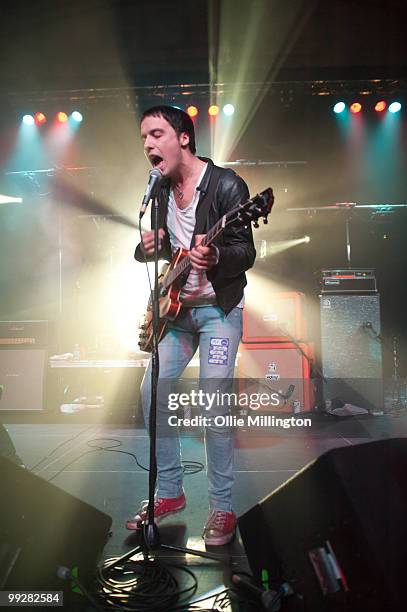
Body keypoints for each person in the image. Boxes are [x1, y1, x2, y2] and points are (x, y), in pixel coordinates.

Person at [126, 105, 256, 545]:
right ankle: (169, 493)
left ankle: (222, 507)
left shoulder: (225, 184)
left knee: (214, 402)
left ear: (183, 137)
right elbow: (166, 251)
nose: (148, 144)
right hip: (177, 312)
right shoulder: (161, 189)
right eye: (144, 136)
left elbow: (246, 251)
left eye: (157, 134)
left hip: (218, 310)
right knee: (151, 391)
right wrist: (149, 248)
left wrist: (218, 255)